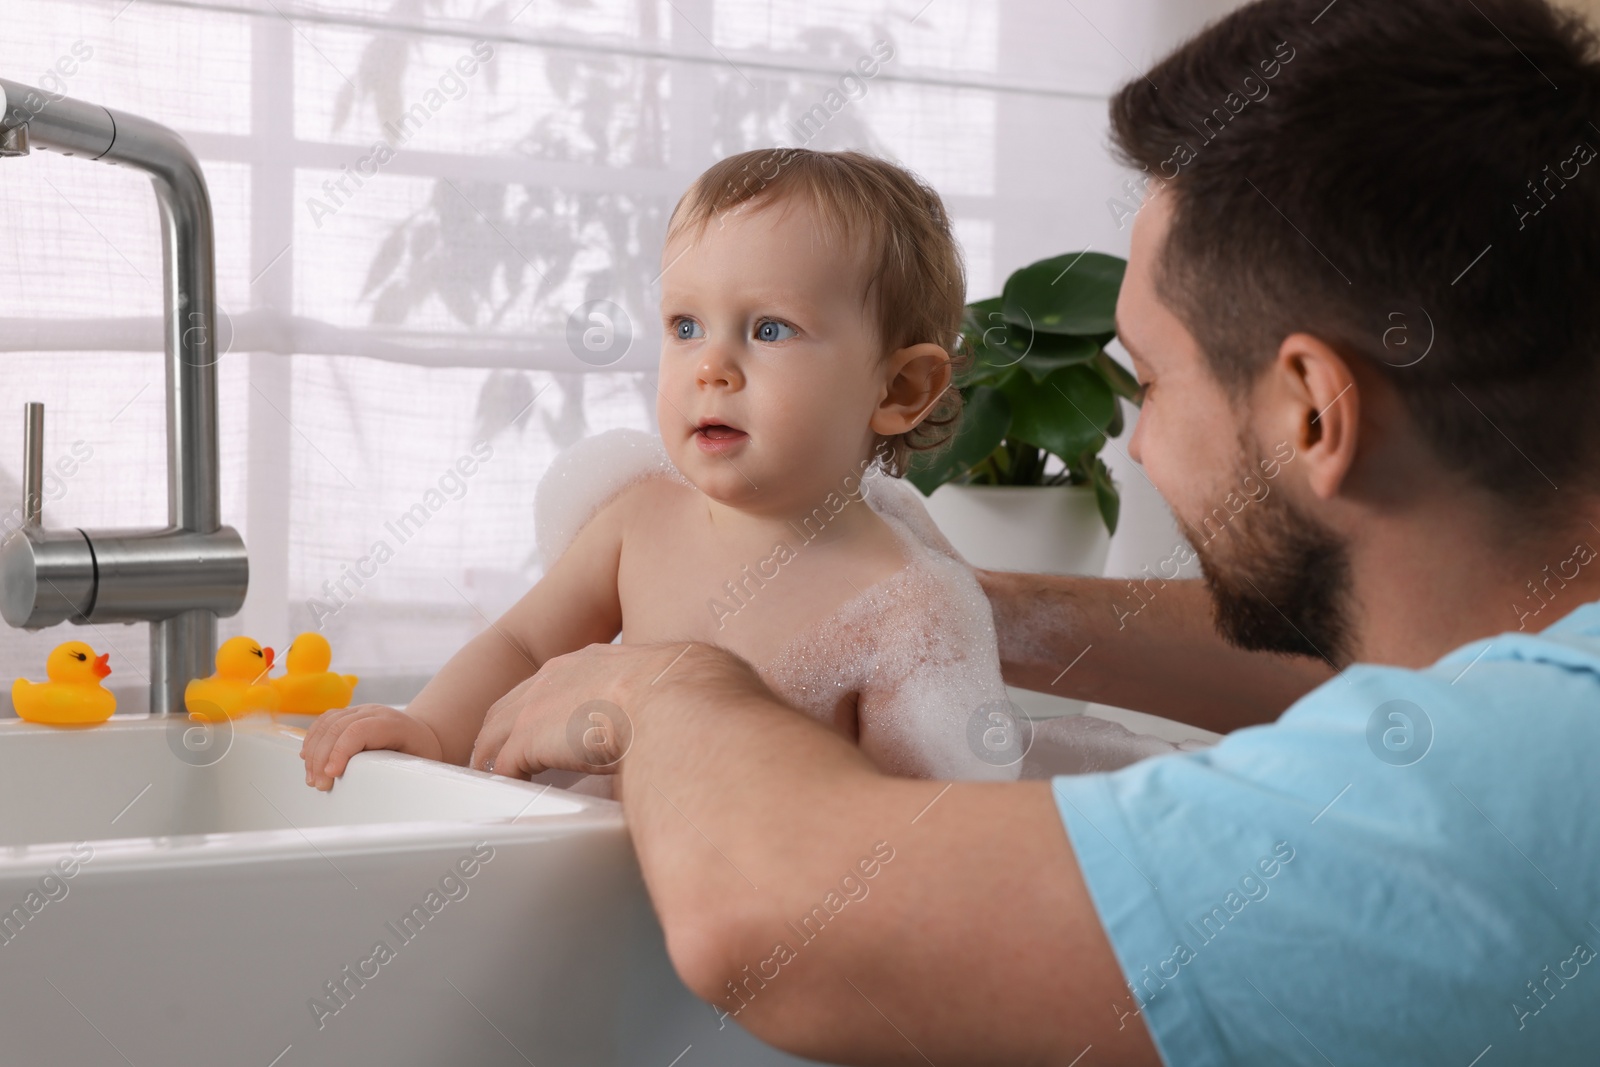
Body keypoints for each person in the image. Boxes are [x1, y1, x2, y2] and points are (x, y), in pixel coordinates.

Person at [465, 0, 1600, 1063]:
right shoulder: (1543, 694)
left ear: (1313, 409)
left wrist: (669, 688)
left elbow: (780, 923)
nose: (1136, 448)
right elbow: (1387, 661)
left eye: (1147, 381)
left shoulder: (1492, 798)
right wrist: (929, 605)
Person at [304, 147, 1142, 795]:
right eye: (684, 324)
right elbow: (523, 642)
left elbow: (902, 833)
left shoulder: (901, 604)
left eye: (770, 329)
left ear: (900, 388)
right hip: (598, 891)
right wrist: (433, 733)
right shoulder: (637, 520)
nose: (712, 365)